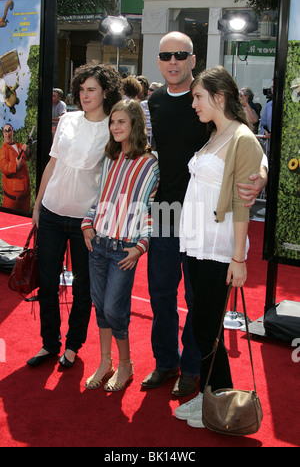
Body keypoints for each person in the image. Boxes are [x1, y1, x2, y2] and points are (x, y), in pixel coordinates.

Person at [141, 32, 268, 397]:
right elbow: (151, 151)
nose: (172, 61)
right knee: (161, 292)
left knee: (199, 300)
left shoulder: (209, 100)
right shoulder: (156, 102)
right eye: (165, 55)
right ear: (160, 61)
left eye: (180, 54)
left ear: (193, 59)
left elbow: (246, 145)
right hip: (167, 209)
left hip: (205, 216)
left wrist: (260, 176)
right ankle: (165, 362)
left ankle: (193, 371)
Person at [175, 66, 263, 428]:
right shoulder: (213, 135)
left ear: (219, 98)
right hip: (195, 246)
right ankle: (210, 394)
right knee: (202, 325)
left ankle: (219, 397)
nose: (194, 103)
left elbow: (244, 200)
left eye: (198, 96)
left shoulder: (242, 138)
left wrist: (238, 258)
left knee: (206, 327)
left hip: (217, 248)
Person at [26, 62, 122, 368]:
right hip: (53, 213)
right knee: (48, 283)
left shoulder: (113, 128)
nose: (84, 94)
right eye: (81, 89)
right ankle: (49, 343)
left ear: (106, 91)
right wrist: (38, 204)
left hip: (86, 223)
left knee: (83, 286)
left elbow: (116, 177)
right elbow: (52, 164)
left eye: (91, 89)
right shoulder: (66, 119)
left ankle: (73, 346)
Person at [82, 99, 160, 392]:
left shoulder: (150, 164)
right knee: (100, 306)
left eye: (121, 122)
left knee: (115, 309)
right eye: (113, 122)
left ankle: (125, 365)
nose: (115, 127)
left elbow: (152, 209)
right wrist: (87, 225)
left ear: (135, 125)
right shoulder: (109, 158)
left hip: (124, 248)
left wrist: (141, 246)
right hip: (97, 244)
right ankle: (106, 362)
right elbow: (99, 198)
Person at [0, 123, 31, 211]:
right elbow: (4, 168)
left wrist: (27, 151)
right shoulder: (4, 149)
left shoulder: (18, 145)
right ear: (3, 134)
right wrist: (16, 166)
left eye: (9, 130)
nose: (7, 133)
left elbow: (27, 156)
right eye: (5, 131)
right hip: (12, 200)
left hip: (25, 198)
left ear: (12, 131)